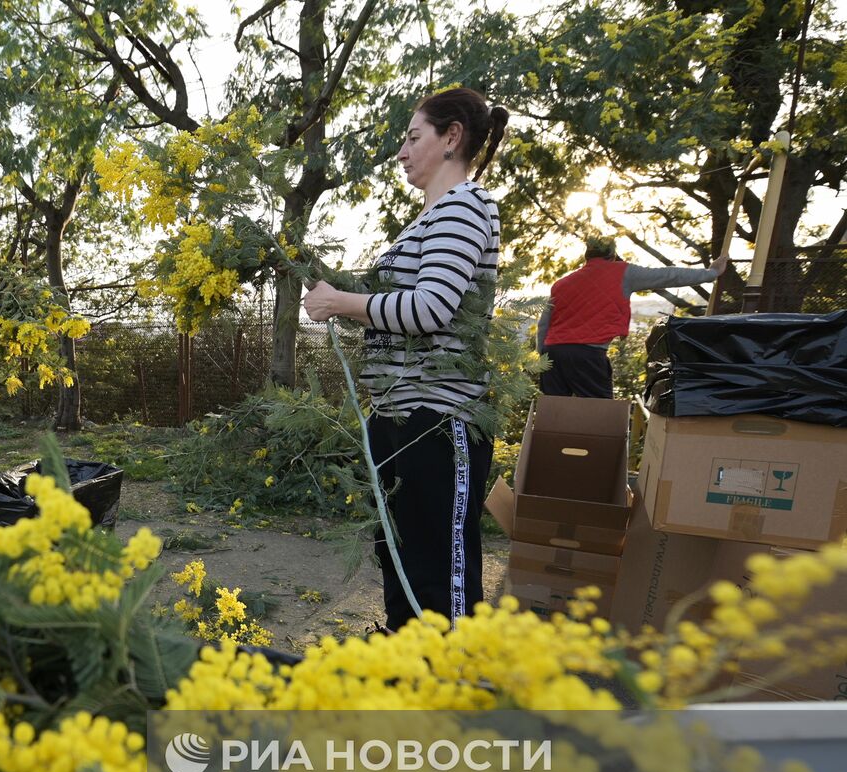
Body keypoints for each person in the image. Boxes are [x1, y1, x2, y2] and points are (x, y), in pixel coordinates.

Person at [302, 87, 507, 632]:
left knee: (440, 568)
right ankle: (405, 662)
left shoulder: (465, 206)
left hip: (440, 419)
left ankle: (451, 686)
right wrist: (341, 294)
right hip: (399, 414)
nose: (401, 151)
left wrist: (342, 302)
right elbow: (395, 306)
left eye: (413, 137)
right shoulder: (426, 221)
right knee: (399, 553)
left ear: (452, 138)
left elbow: (429, 308)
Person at [537, 237, 728, 398]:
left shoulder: (562, 283)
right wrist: (711, 273)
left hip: (552, 353)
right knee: (597, 416)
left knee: (552, 412)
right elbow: (668, 275)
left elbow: (544, 322)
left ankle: (549, 443)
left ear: (587, 255)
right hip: (588, 355)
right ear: (612, 254)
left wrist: (543, 354)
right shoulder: (623, 273)